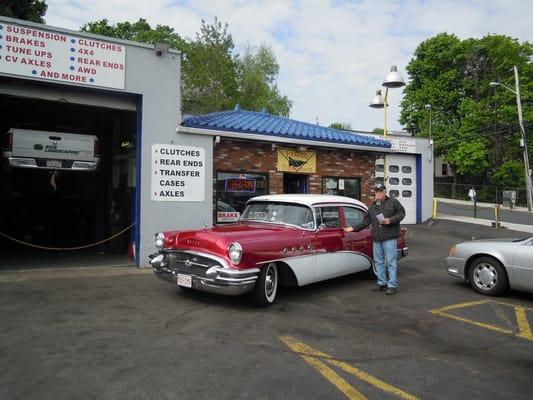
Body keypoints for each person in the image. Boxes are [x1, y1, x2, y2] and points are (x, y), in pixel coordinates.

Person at [343, 183, 405, 295]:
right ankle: (381, 283)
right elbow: (365, 221)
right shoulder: (372, 207)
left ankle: (392, 285)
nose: (378, 193)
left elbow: (402, 213)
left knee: (391, 262)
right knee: (378, 262)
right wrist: (353, 228)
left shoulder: (393, 202)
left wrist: (391, 220)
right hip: (377, 238)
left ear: (385, 192)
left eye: (380, 191)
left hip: (390, 237)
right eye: (376, 192)